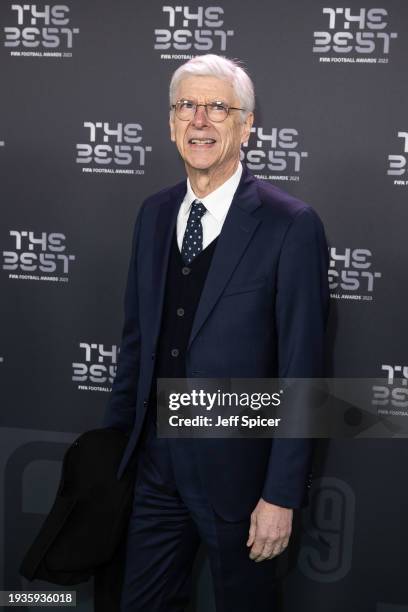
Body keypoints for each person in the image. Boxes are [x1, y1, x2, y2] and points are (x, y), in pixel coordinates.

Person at [103, 53, 329, 611]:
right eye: (186, 106)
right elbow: (136, 345)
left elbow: (302, 370)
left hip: (241, 480)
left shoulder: (290, 225)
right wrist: (111, 458)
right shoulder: (153, 214)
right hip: (155, 469)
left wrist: (279, 495)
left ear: (246, 125)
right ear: (171, 122)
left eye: (217, 108)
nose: (199, 120)